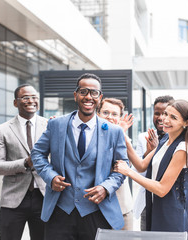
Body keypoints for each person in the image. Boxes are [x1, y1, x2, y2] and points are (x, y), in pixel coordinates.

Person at [31, 73, 128, 240]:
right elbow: (37, 153)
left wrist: (106, 188)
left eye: (94, 93)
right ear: (75, 95)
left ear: (100, 97)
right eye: (83, 91)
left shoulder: (114, 131)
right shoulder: (56, 124)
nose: (88, 97)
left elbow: (122, 165)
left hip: (97, 211)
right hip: (60, 210)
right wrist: (50, 177)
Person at [114, 99, 188, 240]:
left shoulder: (183, 148)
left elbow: (162, 189)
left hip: (174, 210)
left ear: (186, 123)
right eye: (165, 114)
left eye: (173, 117)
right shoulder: (165, 140)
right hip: (157, 206)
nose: (165, 119)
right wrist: (123, 136)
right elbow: (141, 165)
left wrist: (128, 171)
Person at [0, 84, 47, 240]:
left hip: (44, 197)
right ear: (16, 103)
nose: (31, 101)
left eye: (34, 97)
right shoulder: (2, 129)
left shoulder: (50, 126)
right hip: (13, 200)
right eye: (25, 97)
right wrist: (26, 163)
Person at [134, 95, 174, 230]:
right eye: (157, 113)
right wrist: (149, 153)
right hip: (148, 203)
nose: (161, 117)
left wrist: (157, 150)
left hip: (172, 202)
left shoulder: (178, 139)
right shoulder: (143, 137)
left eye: (165, 113)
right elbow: (139, 173)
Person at [97, 98, 134, 230]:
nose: (110, 117)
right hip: (94, 208)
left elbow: (129, 164)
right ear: (98, 114)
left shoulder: (123, 137)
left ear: (119, 118)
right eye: (105, 112)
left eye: (114, 114)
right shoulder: (89, 135)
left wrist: (121, 133)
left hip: (121, 207)